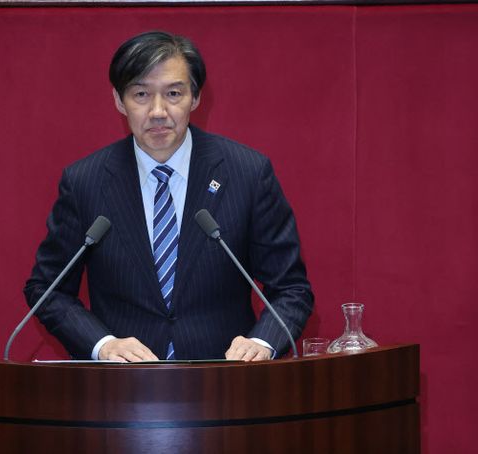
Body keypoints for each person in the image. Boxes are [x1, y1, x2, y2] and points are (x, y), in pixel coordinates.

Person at [24, 31, 313, 362]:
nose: (158, 111)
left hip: (226, 379)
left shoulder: (247, 173)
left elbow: (292, 289)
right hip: (120, 383)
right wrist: (103, 345)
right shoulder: (84, 182)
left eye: (173, 93)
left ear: (195, 97)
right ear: (119, 100)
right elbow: (47, 290)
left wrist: (262, 343)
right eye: (141, 94)